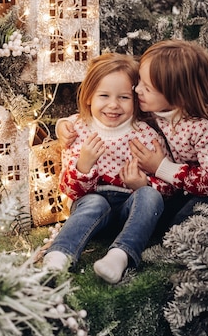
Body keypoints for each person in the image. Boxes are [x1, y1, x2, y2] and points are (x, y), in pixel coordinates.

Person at [57, 40, 208, 235]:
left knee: (182, 225)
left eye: (146, 88)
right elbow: (109, 113)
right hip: (193, 180)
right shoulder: (161, 106)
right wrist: (64, 125)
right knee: (166, 215)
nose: (137, 91)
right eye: (139, 83)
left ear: (176, 95)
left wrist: (160, 167)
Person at [42, 53, 172, 284]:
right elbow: (70, 191)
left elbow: (168, 188)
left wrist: (144, 185)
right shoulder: (77, 130)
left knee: (150, 196)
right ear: (90, 96)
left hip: (130, 213)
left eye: (123, 97)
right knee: (95, 202)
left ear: (136, 99)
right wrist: (84, 164)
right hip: (91, 209)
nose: (113, 105)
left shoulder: (146, 136)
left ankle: (119, 256)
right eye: (104, 95)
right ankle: (59, 254)